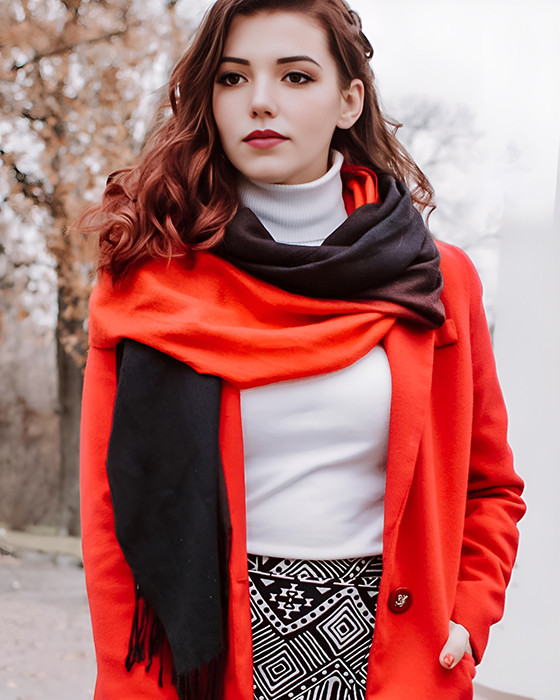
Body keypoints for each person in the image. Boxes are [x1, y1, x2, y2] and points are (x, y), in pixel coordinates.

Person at [79, 1, 526, 699]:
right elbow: (110, 511)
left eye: (295, 76)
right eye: (232, 78)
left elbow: (491, 486)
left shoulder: (437, 280)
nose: (260, 101)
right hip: (207, 655)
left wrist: (469, 614)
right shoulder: (148, 278)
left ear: (349, 101)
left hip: (394, 654)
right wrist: (130, 676)